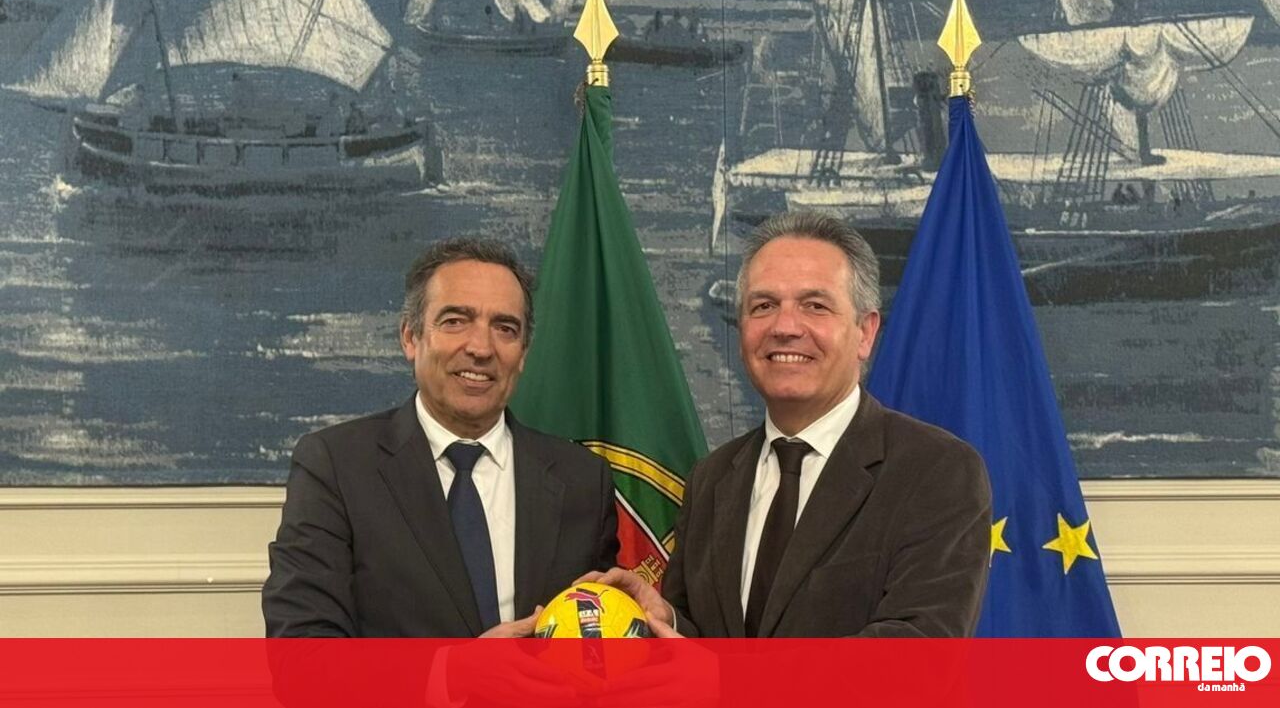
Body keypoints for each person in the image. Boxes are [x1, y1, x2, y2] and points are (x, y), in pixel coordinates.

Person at [589, 212, 991, 637]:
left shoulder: (936, 471)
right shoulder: (712, 479)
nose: (784, 327)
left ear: (865, 332)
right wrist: (664, 619)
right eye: (763, 306)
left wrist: (723, 673)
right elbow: (706, 645)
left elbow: (916, 653)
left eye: (815, 306)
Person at [263, 238, 619, 637]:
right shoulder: (336, 466)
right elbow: (302, 651)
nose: (481, 348)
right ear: (410, 337)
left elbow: (603, 640)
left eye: (505, 328)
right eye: (455, 321)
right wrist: (452, 670)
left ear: (522, 353)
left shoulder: (583, 480)